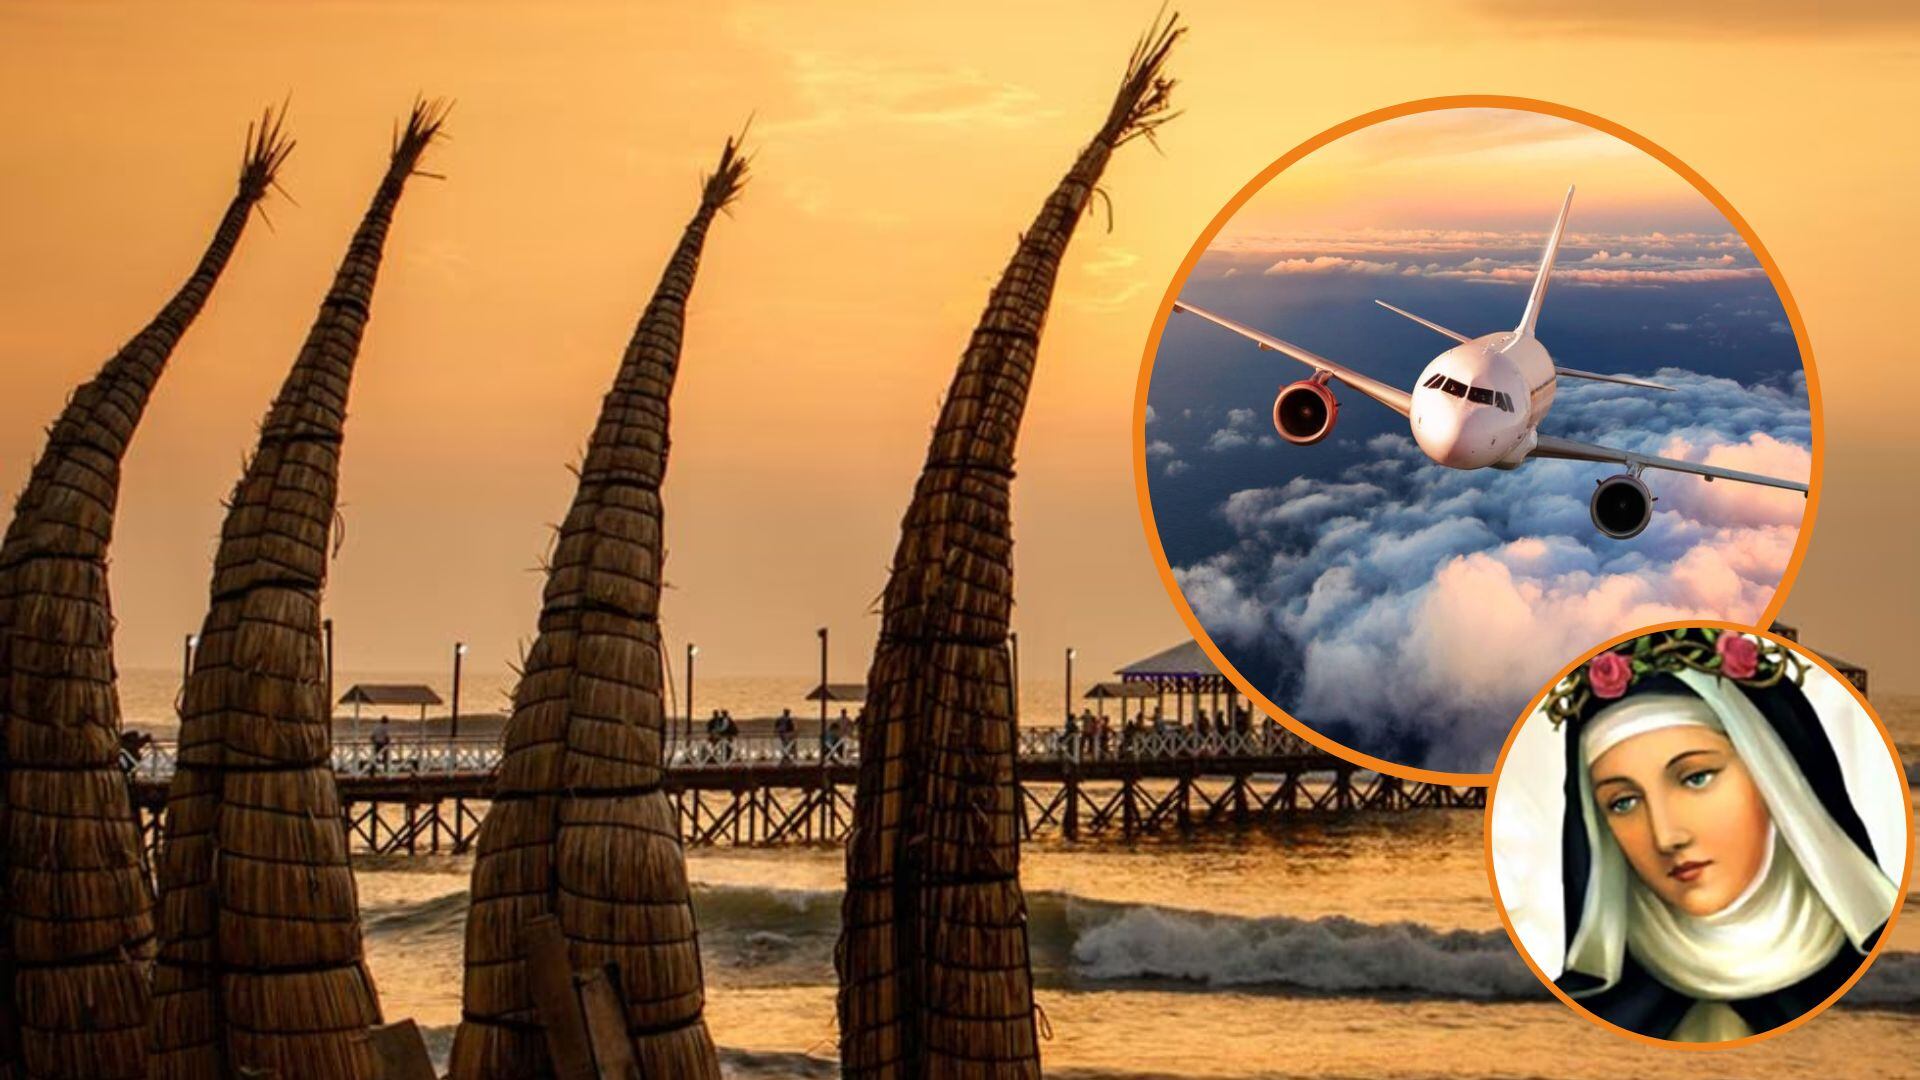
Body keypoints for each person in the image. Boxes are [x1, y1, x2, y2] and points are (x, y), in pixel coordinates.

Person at [1548, 628, 1900, 1043]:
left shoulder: (1882, 986)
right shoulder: (1595, 1007)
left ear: (1776, 779)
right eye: (1623, 802)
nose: (1666, 837)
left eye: (1696, 778)